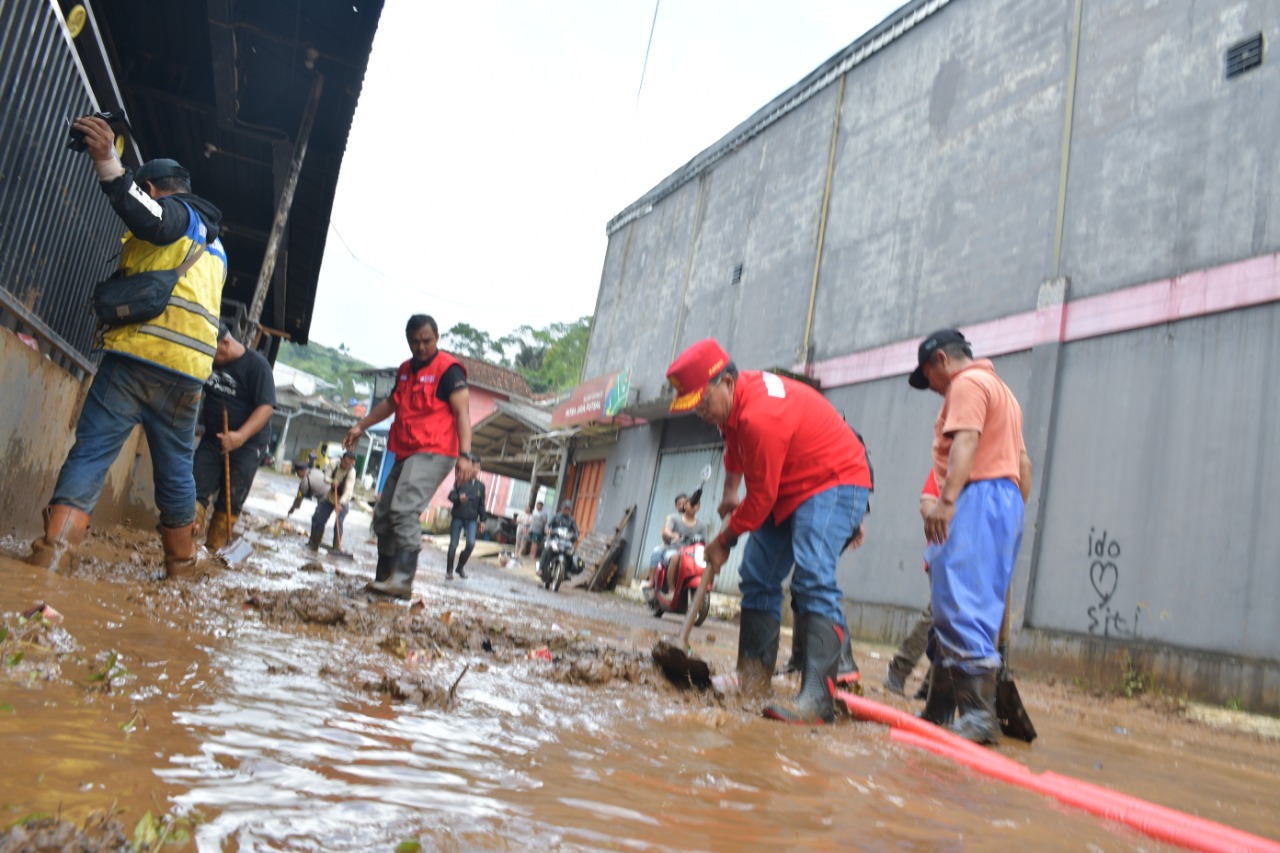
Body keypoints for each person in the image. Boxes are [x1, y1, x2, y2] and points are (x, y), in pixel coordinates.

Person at [26, 116, 226, 578]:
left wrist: (108, 164)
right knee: (176, 471)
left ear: (153, 188)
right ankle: (180, 566)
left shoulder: (177, 215)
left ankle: (53, 553)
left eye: (144, 190)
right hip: (188, 377)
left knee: (93, 451)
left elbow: (150, 217)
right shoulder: (216, 246)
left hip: (137, 361)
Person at [667, 339, 873, 724]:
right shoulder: (733, 408)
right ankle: (754, 678)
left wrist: (724, 540)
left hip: (833, 480)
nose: (699, 411)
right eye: (691, 404)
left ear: (726, 382)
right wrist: (730, 491)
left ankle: (818, 699)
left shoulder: (761, 416)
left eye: (702, 400)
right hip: (790, 487)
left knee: (811, 577)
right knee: (758, 574)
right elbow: (733, 443)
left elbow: (761, 497)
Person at [908, 329, 1032, 744]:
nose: (933, 389)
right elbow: (1023, 463)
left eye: (930, 378)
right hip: (1005, 498)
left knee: (960, 604)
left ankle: (978, 715)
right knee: (957, 603)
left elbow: (966, 440)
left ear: (940, 359)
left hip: (978, 495)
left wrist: (947, 502)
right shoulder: (1002, 392)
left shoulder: (967, 384)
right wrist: (1008, 517)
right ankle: (941, 709)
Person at [343, 314, 476, 599]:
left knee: (403, 509)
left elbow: (463, 414)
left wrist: (466, 455)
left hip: (435, 451)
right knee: (383, 515)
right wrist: (360, 425)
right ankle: (384, 579)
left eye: (426, 341)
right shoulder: (405, 370)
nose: (421, 347)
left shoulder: (449, 370)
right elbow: (392, 403)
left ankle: (403, 580)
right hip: (406, 451)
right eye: (414, 342)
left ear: (436, 338)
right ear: (408, 341)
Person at [192, 323, 276, 550]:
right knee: (194, 488)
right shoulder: (210, 362)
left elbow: (266, 408)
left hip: (247, 445)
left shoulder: (257, 366)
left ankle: (214, 552)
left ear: (226, 344)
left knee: (230, 500)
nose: (209, 358)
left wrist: (240, 437)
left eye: (212, 352)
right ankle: (186, 547)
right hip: (213, 439)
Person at [882, 469, 940, 699]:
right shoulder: (950, 460)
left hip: (977, 560)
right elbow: (927, 503)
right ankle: (898, 670)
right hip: (948, 551)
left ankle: (933, 687)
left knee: (956, 623)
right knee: (939, 612)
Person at [661, 489, 708, 598]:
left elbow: (705, 542)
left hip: (691, 554)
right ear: (685, 506)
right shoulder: (674, 518)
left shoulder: (702, 526)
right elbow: (667, 530)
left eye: (695, 504)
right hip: (673, 550)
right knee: (676, 558)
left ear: (698, 508)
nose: (692, 506)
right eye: (690, 503)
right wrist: (673, 535)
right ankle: (671, 589)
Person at [309, 451, 357, 554]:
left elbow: (348, 490)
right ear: (341, 459)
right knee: (320, 521)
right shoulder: (334, 463)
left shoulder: (351, 472)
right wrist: (332, 481)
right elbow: (326, 477)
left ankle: (335, 549)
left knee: (338, 523)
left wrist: (340, 503)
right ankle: (314, 546)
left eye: (349, 464)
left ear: (352, 463)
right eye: (345, 463)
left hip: (343, 500)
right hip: (330, 498)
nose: (346, 465)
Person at [446, 461, 486, 580]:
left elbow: (481, 505)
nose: (475, 469)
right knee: (453, 545)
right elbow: (451, 496)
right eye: (473, 467)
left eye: (477, 467)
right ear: (469, 467)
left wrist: (483, 520)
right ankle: (449, 571)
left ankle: (460, 567)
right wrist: (458, 498)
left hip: (472, 520)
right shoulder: (460, 481)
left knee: (471, 544)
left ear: (479, 470)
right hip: (458, 517)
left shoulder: (481, 486)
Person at [645, 493, 688, 588]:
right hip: (669, 546)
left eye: (684, 503)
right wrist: (671, 536)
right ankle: (651, 581)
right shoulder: (671, 518)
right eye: (679, 504)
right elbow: (664, 534)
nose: (682, 506)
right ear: (676, 506)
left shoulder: (691, 519)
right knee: (657, 551)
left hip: (686, 549)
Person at [538, 501, 579, 579]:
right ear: (562, 508)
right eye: (565, 508)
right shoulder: (556, 516)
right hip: (554, 539)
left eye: (568, 509)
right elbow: (548, 525)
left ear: (570, 510)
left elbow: (576, 530)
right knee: (547, 550)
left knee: (572, 553)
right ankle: (540, 568)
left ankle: (569, 571)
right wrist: (547, 530)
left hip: (566, 541)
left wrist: (576, 535)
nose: (566, 510)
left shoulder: (571, 520)